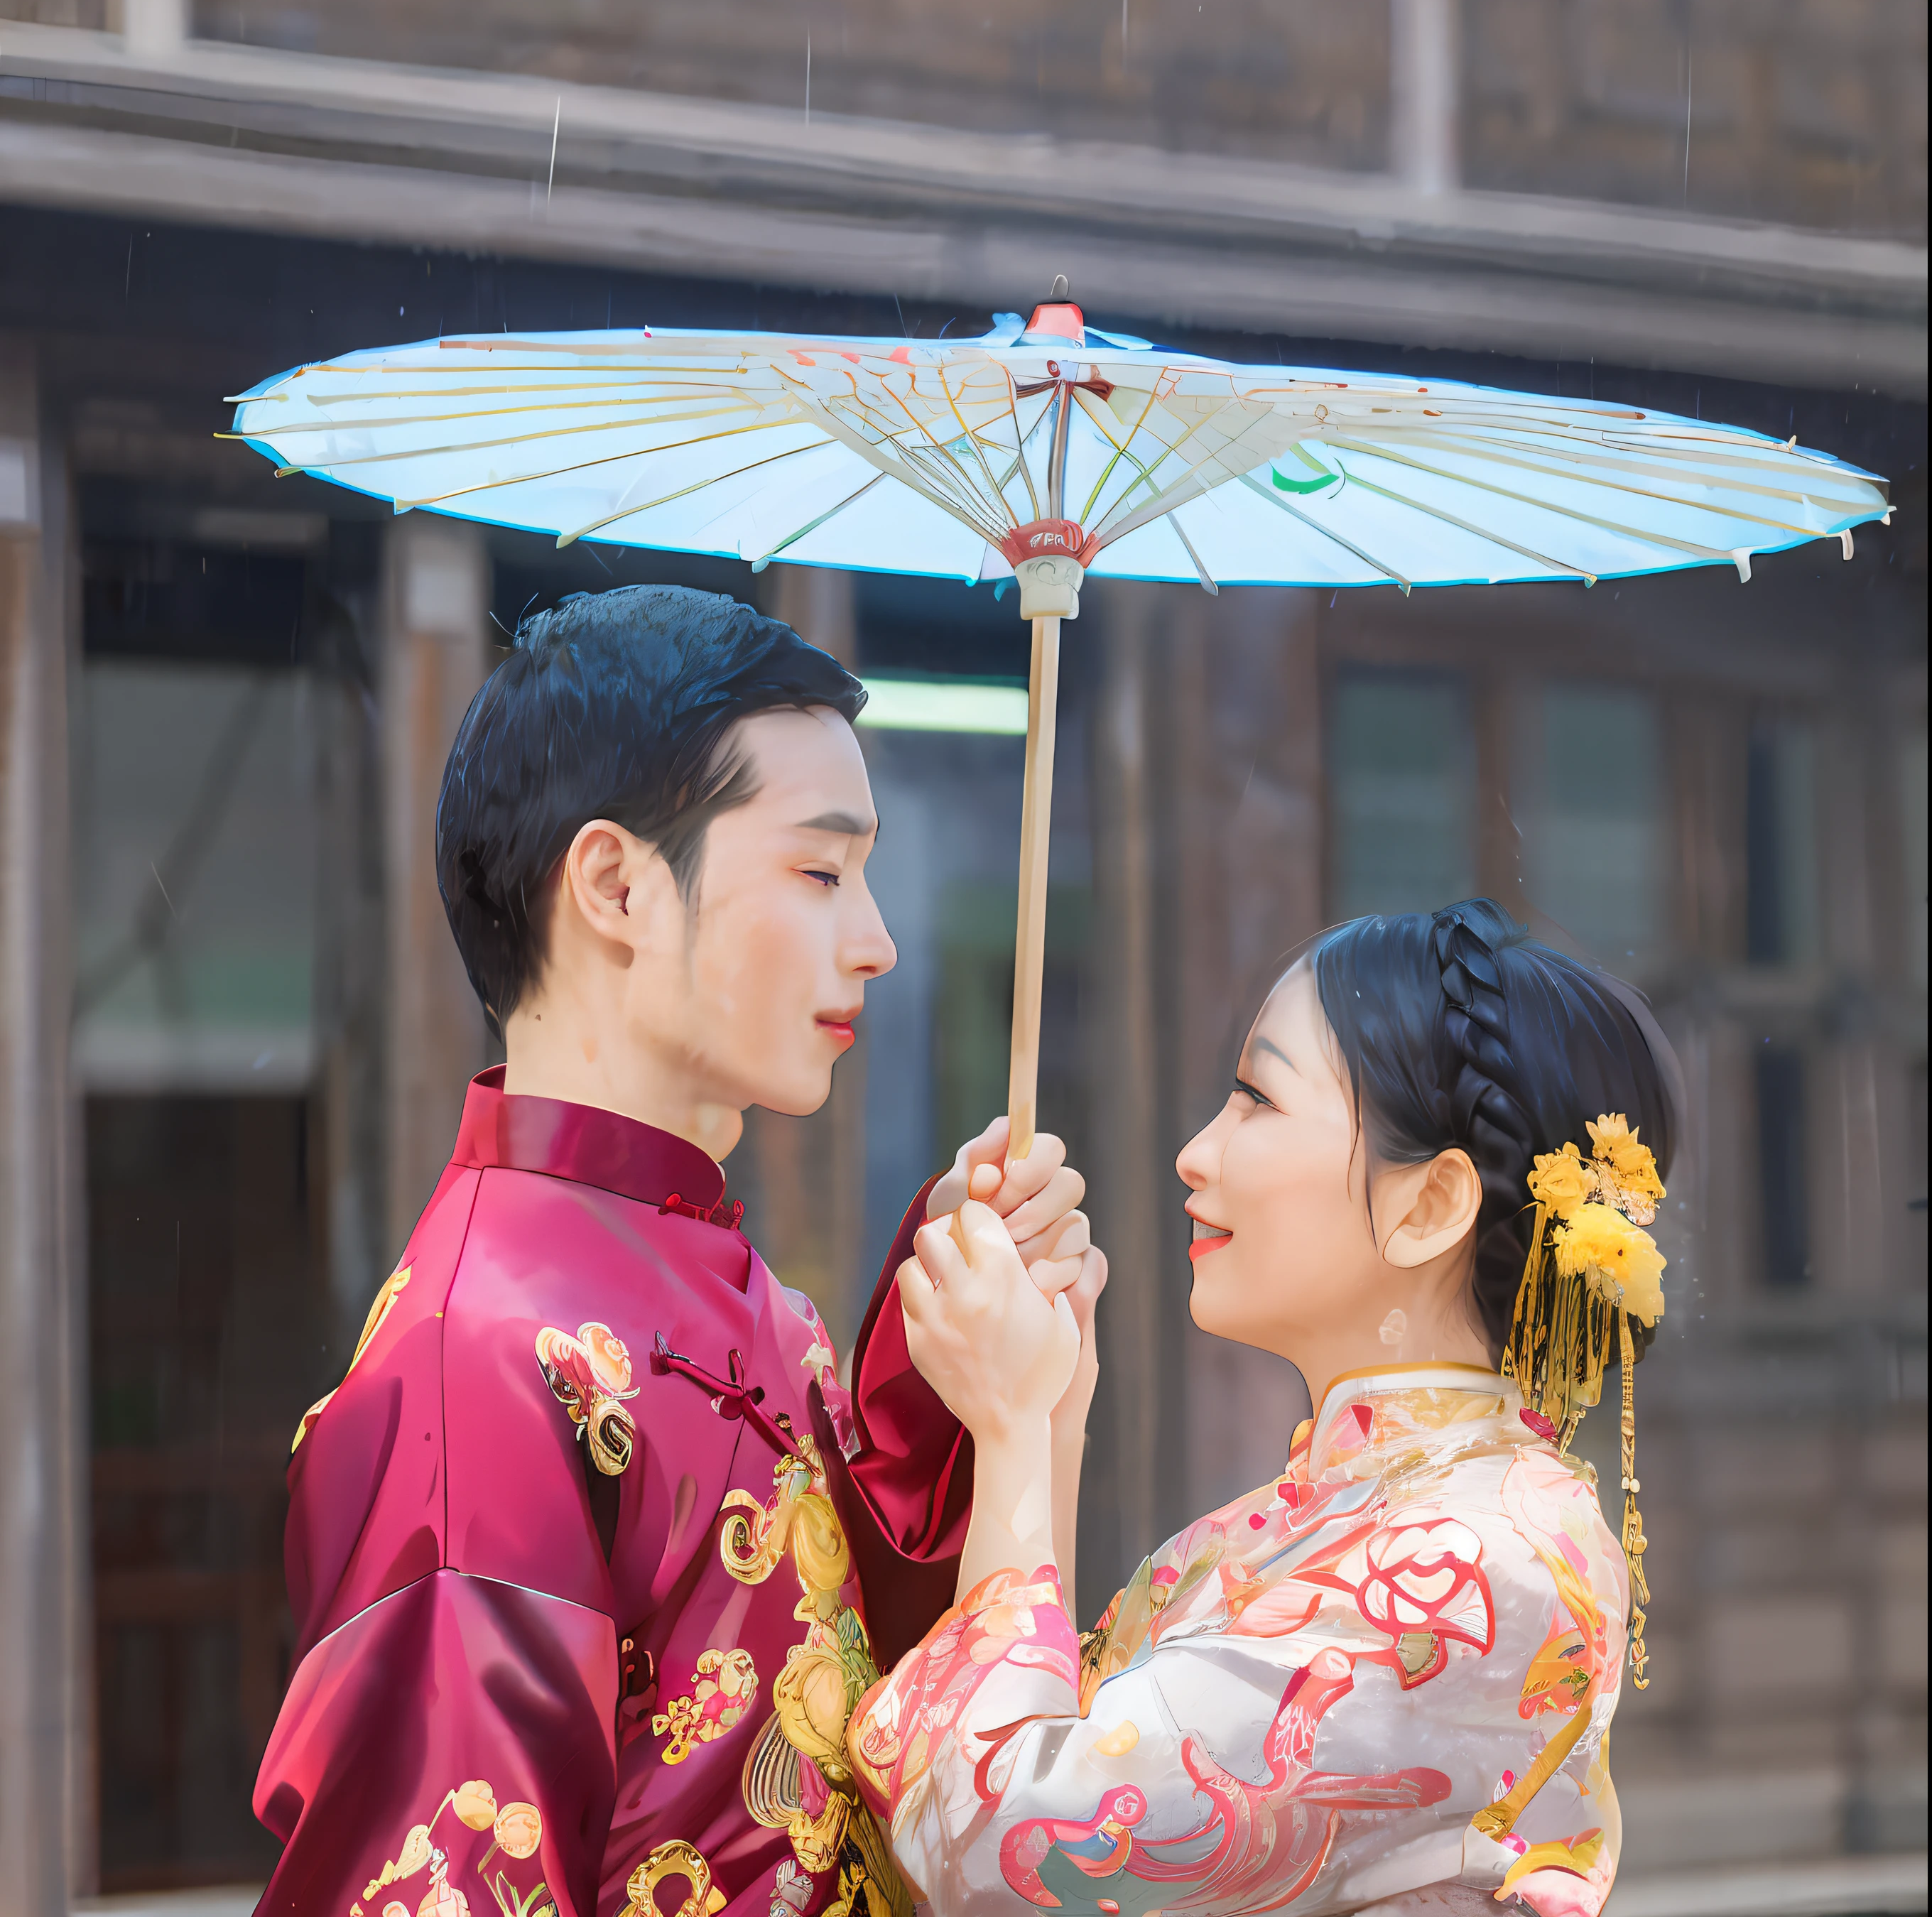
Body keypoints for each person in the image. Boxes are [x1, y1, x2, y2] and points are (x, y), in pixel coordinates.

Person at [251, 582, 1102, 1917]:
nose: (875, 942)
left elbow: (858, 1716)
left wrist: (951, 1378)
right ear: (616, 887)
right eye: (822, 872)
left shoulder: (743, 1291)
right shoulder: (480, 1362)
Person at [850, 901, 1680, 1917]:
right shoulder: (1360, 1515)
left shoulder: (1479, 1561)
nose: (1197, 1152)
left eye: (1256, 1098)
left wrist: (1018, 1433)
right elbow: (1052, 1750)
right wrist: (1054, 1417)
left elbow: (1003, 1854)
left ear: (1429, 1206)